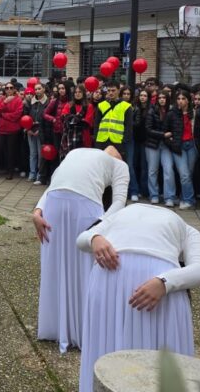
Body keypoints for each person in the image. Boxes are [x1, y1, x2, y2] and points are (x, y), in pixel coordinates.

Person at [76, 203, 200, 392]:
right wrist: (165, 282)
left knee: (108, 345)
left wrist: (94, 238)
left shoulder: (187, 230)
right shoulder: (187, 228)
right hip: (142, 284)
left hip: (115, 281)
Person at [32, 146, 129, 353]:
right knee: (86, 266)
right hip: (85, 204)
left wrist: (37, 212)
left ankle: (55, 327)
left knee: (55, 264)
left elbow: (52, 188)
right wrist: (100, 225)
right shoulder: (120, 165)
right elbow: (119, 202)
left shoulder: (75, 152)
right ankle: (86, 329)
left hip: (53, 204)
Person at [0, 82, 23, 179]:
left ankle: (10, 172)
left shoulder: (18, 100)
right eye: (7, 88)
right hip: (1, 129)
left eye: (11, 88)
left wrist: (3, 115)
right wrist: (5, 103)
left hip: (12, 130)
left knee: (10, 152)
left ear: (14, 89)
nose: (8, 89)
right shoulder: (1, 99)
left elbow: (17, 115)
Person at [93, 81, 133, 158]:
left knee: (116, 166)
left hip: (118, 142)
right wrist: (96, 139)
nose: (110, 93)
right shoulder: (101, 105)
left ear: (118, 90)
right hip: (102, 140)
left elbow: (128, 127)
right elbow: (96, 124)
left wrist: (124, 141)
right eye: (108, 90)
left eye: (113, 90)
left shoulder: (126, 106)